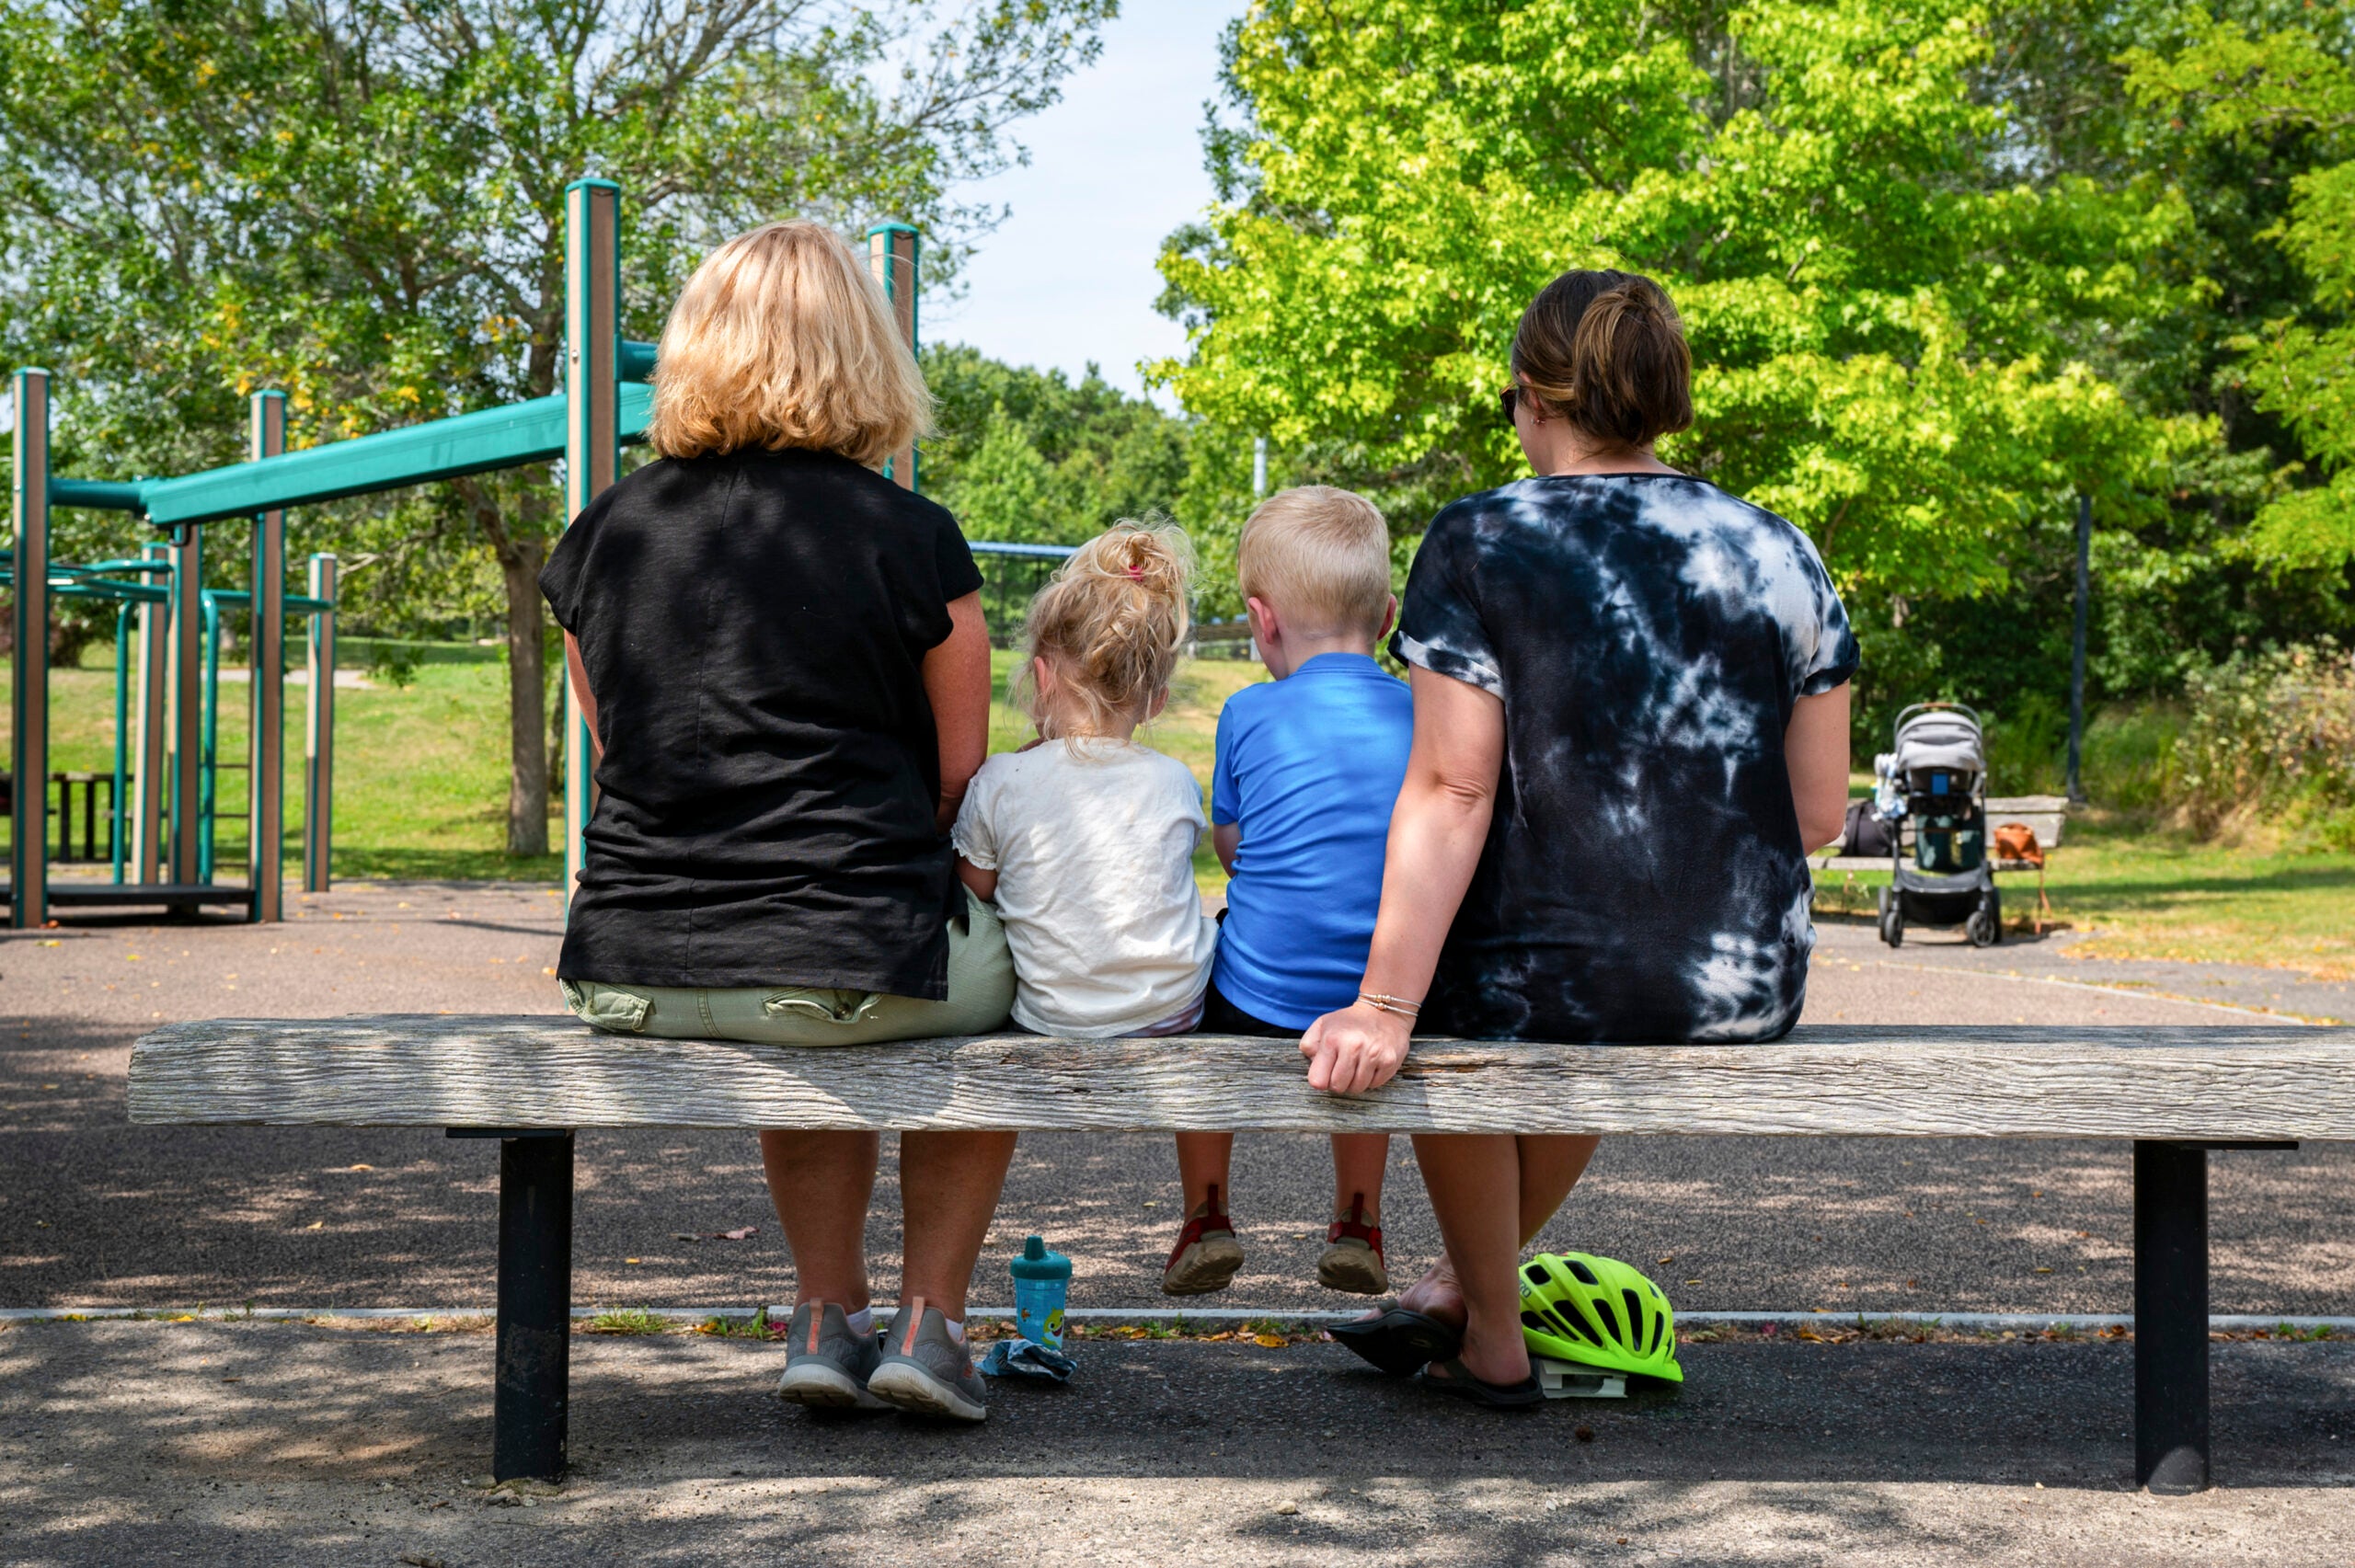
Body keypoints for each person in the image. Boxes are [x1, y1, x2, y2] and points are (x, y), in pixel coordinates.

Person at [1304, 269, 1858, 1405]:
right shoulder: (1779, 548)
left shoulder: (1480, 538)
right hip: (1735, 985)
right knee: (1601, 993)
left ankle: (1492, 1337)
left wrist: (1385, 1005)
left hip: (1544, 976)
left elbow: (1453, 791)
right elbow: (1816, 815)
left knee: (1468, 1008)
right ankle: (1459, 1293)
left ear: (1530, 399)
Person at [541, 220, 1017, 1424]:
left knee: (809, 978)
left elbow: (621, 747)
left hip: (634, 969)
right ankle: (931, 1324)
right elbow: (960, 775)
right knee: (1018, 980)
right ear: (864, 352)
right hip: (841, 963)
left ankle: (822, 1317)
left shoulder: (602, 533)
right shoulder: (912, 536)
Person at [1163, 486, 1413, 1299]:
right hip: (1390, 995)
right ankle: (1358, 1217)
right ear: (1386, 615)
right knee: (1371, 1025)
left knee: (1191, 1006)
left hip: (1260, 999)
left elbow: (1234, 853)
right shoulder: (1423, 712)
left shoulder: (1247, 710)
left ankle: (1205, 1211)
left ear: (1262, 620)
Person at [950, 521, 1219, 1043]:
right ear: (1157, 700)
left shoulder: (1002, 780)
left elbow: (972, 890)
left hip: (1053, 1019)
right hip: (1174, 1013)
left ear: (1042, 677)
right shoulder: (1175, 780)